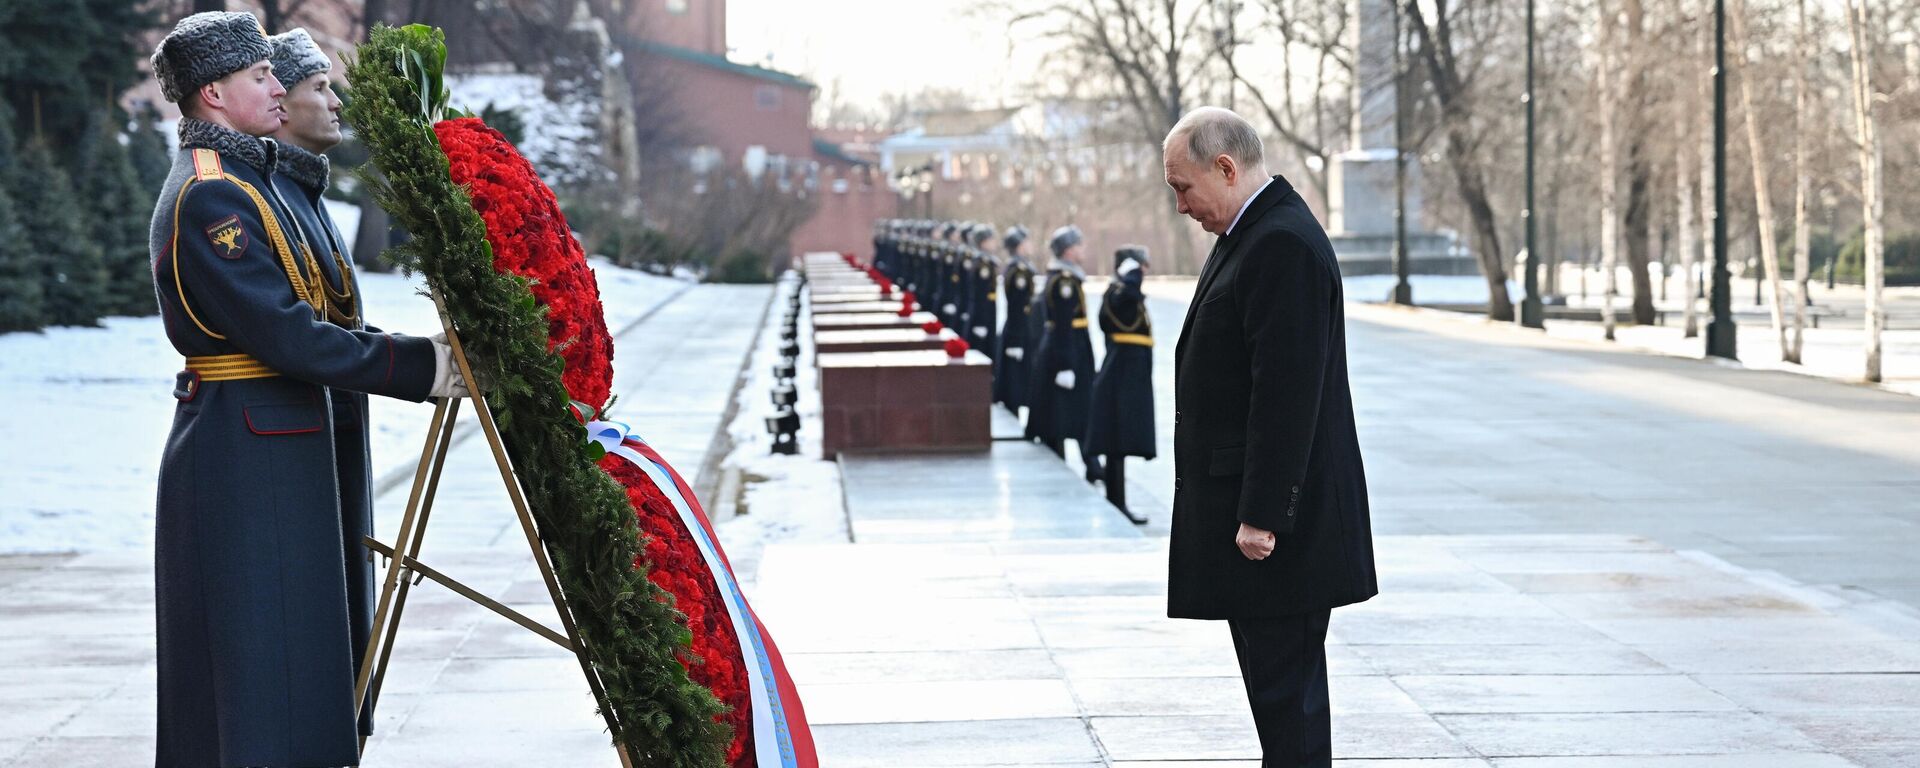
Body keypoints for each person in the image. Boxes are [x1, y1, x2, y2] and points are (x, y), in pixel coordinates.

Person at [148, 12, 466, 766]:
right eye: (259, 77)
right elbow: (290, 334)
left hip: (274, 436)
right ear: (214, 94)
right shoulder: (210, 196)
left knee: (295, 655)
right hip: (244, 444)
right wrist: (425, 367)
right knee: (266, 662)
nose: (276, 89)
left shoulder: (248, 181)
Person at [1162, 106, 1377, 767]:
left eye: (1183, 187)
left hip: (1279, 532)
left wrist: (1261, 515)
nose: (1181, 206)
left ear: (1225, 168)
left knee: (1289, 704)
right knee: (1280, 704)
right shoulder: (1254, 231)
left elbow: (1287, 394)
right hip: (1267, 525)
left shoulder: (1278, 242)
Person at [265, 26, 389, 743]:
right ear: (278, 105)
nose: (335, 100)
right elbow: (299, 332)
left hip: (333, 423)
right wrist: (413, 368)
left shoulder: (304, 190)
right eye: (319, 87)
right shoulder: (266, 197)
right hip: (296, 427)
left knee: (342, 601)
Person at [1084, 245, 1156, 523]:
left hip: (1128, 375)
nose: (1143, 272)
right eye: (1140, 267)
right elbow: (1129, 295)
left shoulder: (1121, 294)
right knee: (1117, 442)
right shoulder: (1119, 293)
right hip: (1121, 375)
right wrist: (1131, 275)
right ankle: (1117, 502)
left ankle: (1118, 501)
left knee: (1120, 442)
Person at [1025, 225, 1101, 483]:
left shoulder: (1066, 277)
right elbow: (1063, 325)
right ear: (1069, 250)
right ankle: (1081, 464)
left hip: (1072, 352)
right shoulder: (1064, 281)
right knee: (1068, 412)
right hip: (1069, 354)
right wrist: (1066, 365)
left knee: (1072, 410)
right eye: (1079, 245)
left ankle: (1090, 464)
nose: (1083, 250)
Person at [994, 226, 1036, 414]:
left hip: (1018, 330)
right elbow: (1017, 308)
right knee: (1015, 382)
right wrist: (1015, 340)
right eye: (1026, 241)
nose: (1030, 245)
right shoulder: (1019, 271)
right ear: (1019, 246)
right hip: (1017, 331)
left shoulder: (1020, 268)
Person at [964, 224, 999, 361]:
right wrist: (980, 322)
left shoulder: (986, 261)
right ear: (983, 243)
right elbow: (979, 294)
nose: (994, 243)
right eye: (991, 239)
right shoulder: (982, 263)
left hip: (987, 314)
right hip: (982, 316)